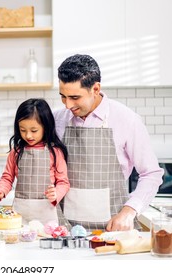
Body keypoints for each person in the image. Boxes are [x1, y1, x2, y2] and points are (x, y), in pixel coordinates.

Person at [54, 54, 164, 231]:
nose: (67, 105)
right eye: (63, 96)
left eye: (75, 97)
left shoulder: (126, 120)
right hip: (63, 230)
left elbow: (151, 173)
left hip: (112, 230)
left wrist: (129, 211)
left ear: (95, 89)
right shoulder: (57, 119)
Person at [0, 98, 70, 225]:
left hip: (47, 213)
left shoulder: (55, 152)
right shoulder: (16, 152)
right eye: (23, 130)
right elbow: (7, 178)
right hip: (20, 212)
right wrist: (1, 190)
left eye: (34, 131)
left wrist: (56, 193)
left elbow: (63, 182)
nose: (28, 135)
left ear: (46, 127)